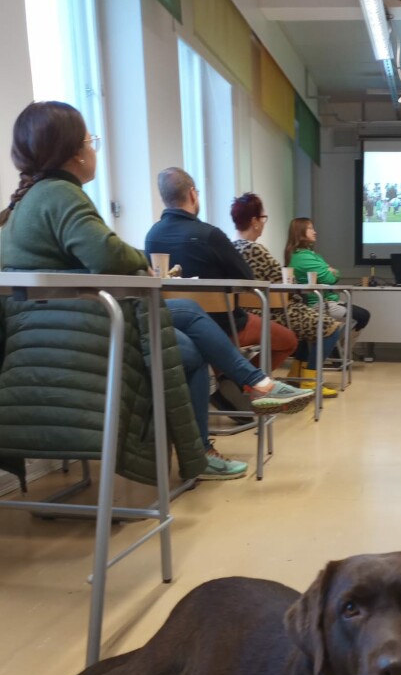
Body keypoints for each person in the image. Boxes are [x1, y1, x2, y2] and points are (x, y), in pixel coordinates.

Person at [0, 101, 310, 482]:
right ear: (74, 154)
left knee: (185, 315)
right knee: (189, 346)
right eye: (90, 141)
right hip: (80, 335)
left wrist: (135, 258)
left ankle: (255, 389)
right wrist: (140, 262)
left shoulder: (23, 205)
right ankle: (227, 421)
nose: (94, 149)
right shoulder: (61, 195)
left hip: (42, 336)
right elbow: (108, 255)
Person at [146, 168, 298, 374]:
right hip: (225, 327)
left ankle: (230, 382)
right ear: (192, 193)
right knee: (288, 340)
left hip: (174, 327)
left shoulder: (152, 236)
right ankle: (240, 384)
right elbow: (248, 281)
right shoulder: (210, 235)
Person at [230, 193, 343, 394]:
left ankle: (294, 373)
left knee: (306, 323)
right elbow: (282, 285)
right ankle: (310, 380)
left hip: (240, 313)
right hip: (273, 313)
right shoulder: (258, 251)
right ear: (255, 221)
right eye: (263, 219)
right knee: (330, 327)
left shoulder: (230, 250)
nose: (264, 223)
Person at [284, 217, 371, 378]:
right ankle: (339, 353)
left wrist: (332, 271)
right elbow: (330, 277)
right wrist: (331, 271)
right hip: (319, 304)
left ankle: (338, 353)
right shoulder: (303, 258)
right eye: (311, 229)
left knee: (361, 316)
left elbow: (333, 273)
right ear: (300, 233)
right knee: (361, 316)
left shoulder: (309, 255)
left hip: (328, 300)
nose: (315, 232)